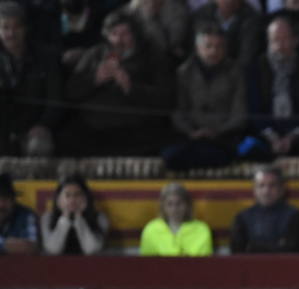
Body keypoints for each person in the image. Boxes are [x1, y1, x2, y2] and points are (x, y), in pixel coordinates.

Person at [60, 9, 176, 156]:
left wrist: (131, 88)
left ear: (135, 34)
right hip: (93, 130)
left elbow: (166, 100)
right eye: (114, 34)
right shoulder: (94, 54)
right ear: (106, 36)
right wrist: (94, 79)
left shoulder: (152, 57)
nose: (119, 40)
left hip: (136, 131)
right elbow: (70, 92)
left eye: (125, 34)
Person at [163, 22, 246, 170]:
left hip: (224, 138)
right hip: (192, 137)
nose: (214, 51)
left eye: (219, 46)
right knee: (171, 157)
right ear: (197, 48)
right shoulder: (184, 72)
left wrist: (218, 131)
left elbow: (239, 113)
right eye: (208, 46)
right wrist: (192, 132)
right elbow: (178, 111)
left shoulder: (236, 73)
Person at [243, 13, 299, 158]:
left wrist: (292, 137)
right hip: (266, 132)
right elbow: (253, 109)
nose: (279, 46)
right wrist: (272, 137)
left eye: (284, 40)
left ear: (295, 40)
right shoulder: (257, 68)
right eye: (274, 40)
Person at [0, 1, 61, 157]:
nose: (11, 33)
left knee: (40, 146)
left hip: (35, 126)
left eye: (16, 27)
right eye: (5, 28)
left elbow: (55, 100)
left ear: (25, 28)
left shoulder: (46, 57)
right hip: (4, 128)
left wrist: (43, 124)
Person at [229, 165, 299, 253]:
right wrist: (277, 246)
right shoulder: (242, 218)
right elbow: (237, 252)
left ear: (281, 189)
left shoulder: (296, 217)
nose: (266, 191)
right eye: (261, 186)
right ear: (254, 190)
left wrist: (254, 247)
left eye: (272, 185)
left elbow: (294, 251)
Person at [40, 174, 109, 255]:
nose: (72, 200)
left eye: (77, 195)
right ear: (58, 199)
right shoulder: (47, 218)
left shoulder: (100, 218)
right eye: (67, 195)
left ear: (86, 198)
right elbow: (53, 250)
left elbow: (92, 250)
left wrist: (79, 218)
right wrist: (65, 217)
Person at [140, 182, 213, 256]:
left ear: (187, 205)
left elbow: (205, 264)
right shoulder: (151, 230)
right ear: (162, 206)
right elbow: (146, 264)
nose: (174, 209)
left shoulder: (202, 230)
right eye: (169, 204)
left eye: (179, 203)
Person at [189, 0, 261, 65]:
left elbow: (247, 56)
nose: (229, 1)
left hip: (234, 70)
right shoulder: (203, 14)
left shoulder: (251, 19)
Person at [119, 0, 191, 63]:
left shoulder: (175, 7)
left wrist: (150, 18)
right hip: (148, 60)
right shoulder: (132, 13)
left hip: (176, 54)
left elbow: (170, 44)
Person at [0, 172, 38, 255]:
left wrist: (1, 243)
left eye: (5, 199)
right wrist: (8, 244)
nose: (1, 204)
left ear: (13, 200)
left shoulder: (26, 215)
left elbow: (30, 247)